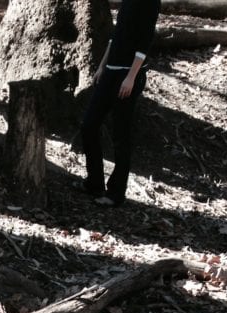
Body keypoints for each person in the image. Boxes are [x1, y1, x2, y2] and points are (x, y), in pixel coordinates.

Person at [81, 0, 161, 207]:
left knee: (120, 135)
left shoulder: (150, 3)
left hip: (128, 76)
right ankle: (94, 182)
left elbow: (145, 41)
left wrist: (131, 76)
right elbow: (116, 36)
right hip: (109, 73)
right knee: (89, 125)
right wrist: (102, 66)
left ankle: (116, 193)